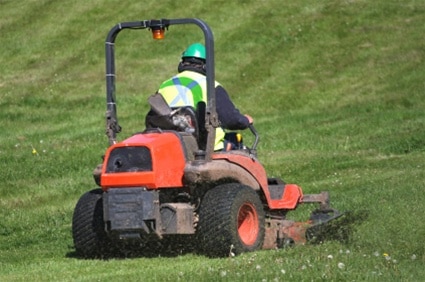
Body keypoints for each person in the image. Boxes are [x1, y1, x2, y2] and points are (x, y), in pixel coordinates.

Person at [151, 43, 253, 151]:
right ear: (206, 66)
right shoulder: (210, 85)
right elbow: (231, 120)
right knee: (235, 140)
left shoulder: (165, 85)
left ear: (182, 63)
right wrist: (245, 120)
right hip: (204, 147)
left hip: (171, 145)